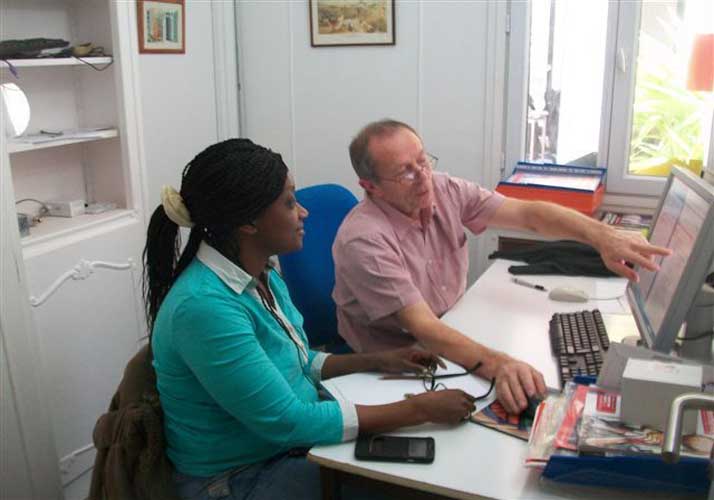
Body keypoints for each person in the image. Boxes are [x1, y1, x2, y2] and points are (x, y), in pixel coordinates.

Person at [143, 138, 478, 500]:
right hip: (237, 477)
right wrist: (417, 409)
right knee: (419, 490)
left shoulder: (258, 273)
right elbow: (288, 422)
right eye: (289, 203)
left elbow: (298, 360)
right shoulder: (204, 308)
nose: (303, 213)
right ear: (248, 223)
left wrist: (381, 360)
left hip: (282, 448)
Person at [332, 119, 672, 415]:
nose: (423, 178)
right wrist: (499, 364)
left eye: (424, 161)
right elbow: (424, 328)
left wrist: (602, 236)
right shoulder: (365, 239)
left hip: (448, 330)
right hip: (390, 364)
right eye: (405, 171)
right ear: (370, 187)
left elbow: (529, 215)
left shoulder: (443, 188)